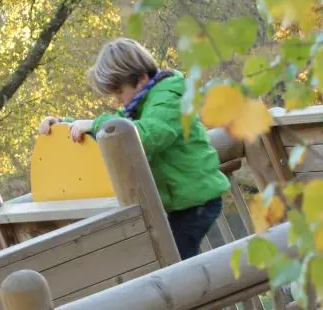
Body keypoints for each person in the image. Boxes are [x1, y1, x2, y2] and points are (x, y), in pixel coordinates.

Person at [38, 38, 231, 260]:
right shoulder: (139, 105)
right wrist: (65, 125)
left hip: (197, 201)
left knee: (175, 262)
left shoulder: (169, 97)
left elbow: (149, 134)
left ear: (141, 78)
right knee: (165, 259)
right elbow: (113, 132)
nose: (119, 101)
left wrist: (96, 123)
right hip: (177, 203)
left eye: (120, 92)